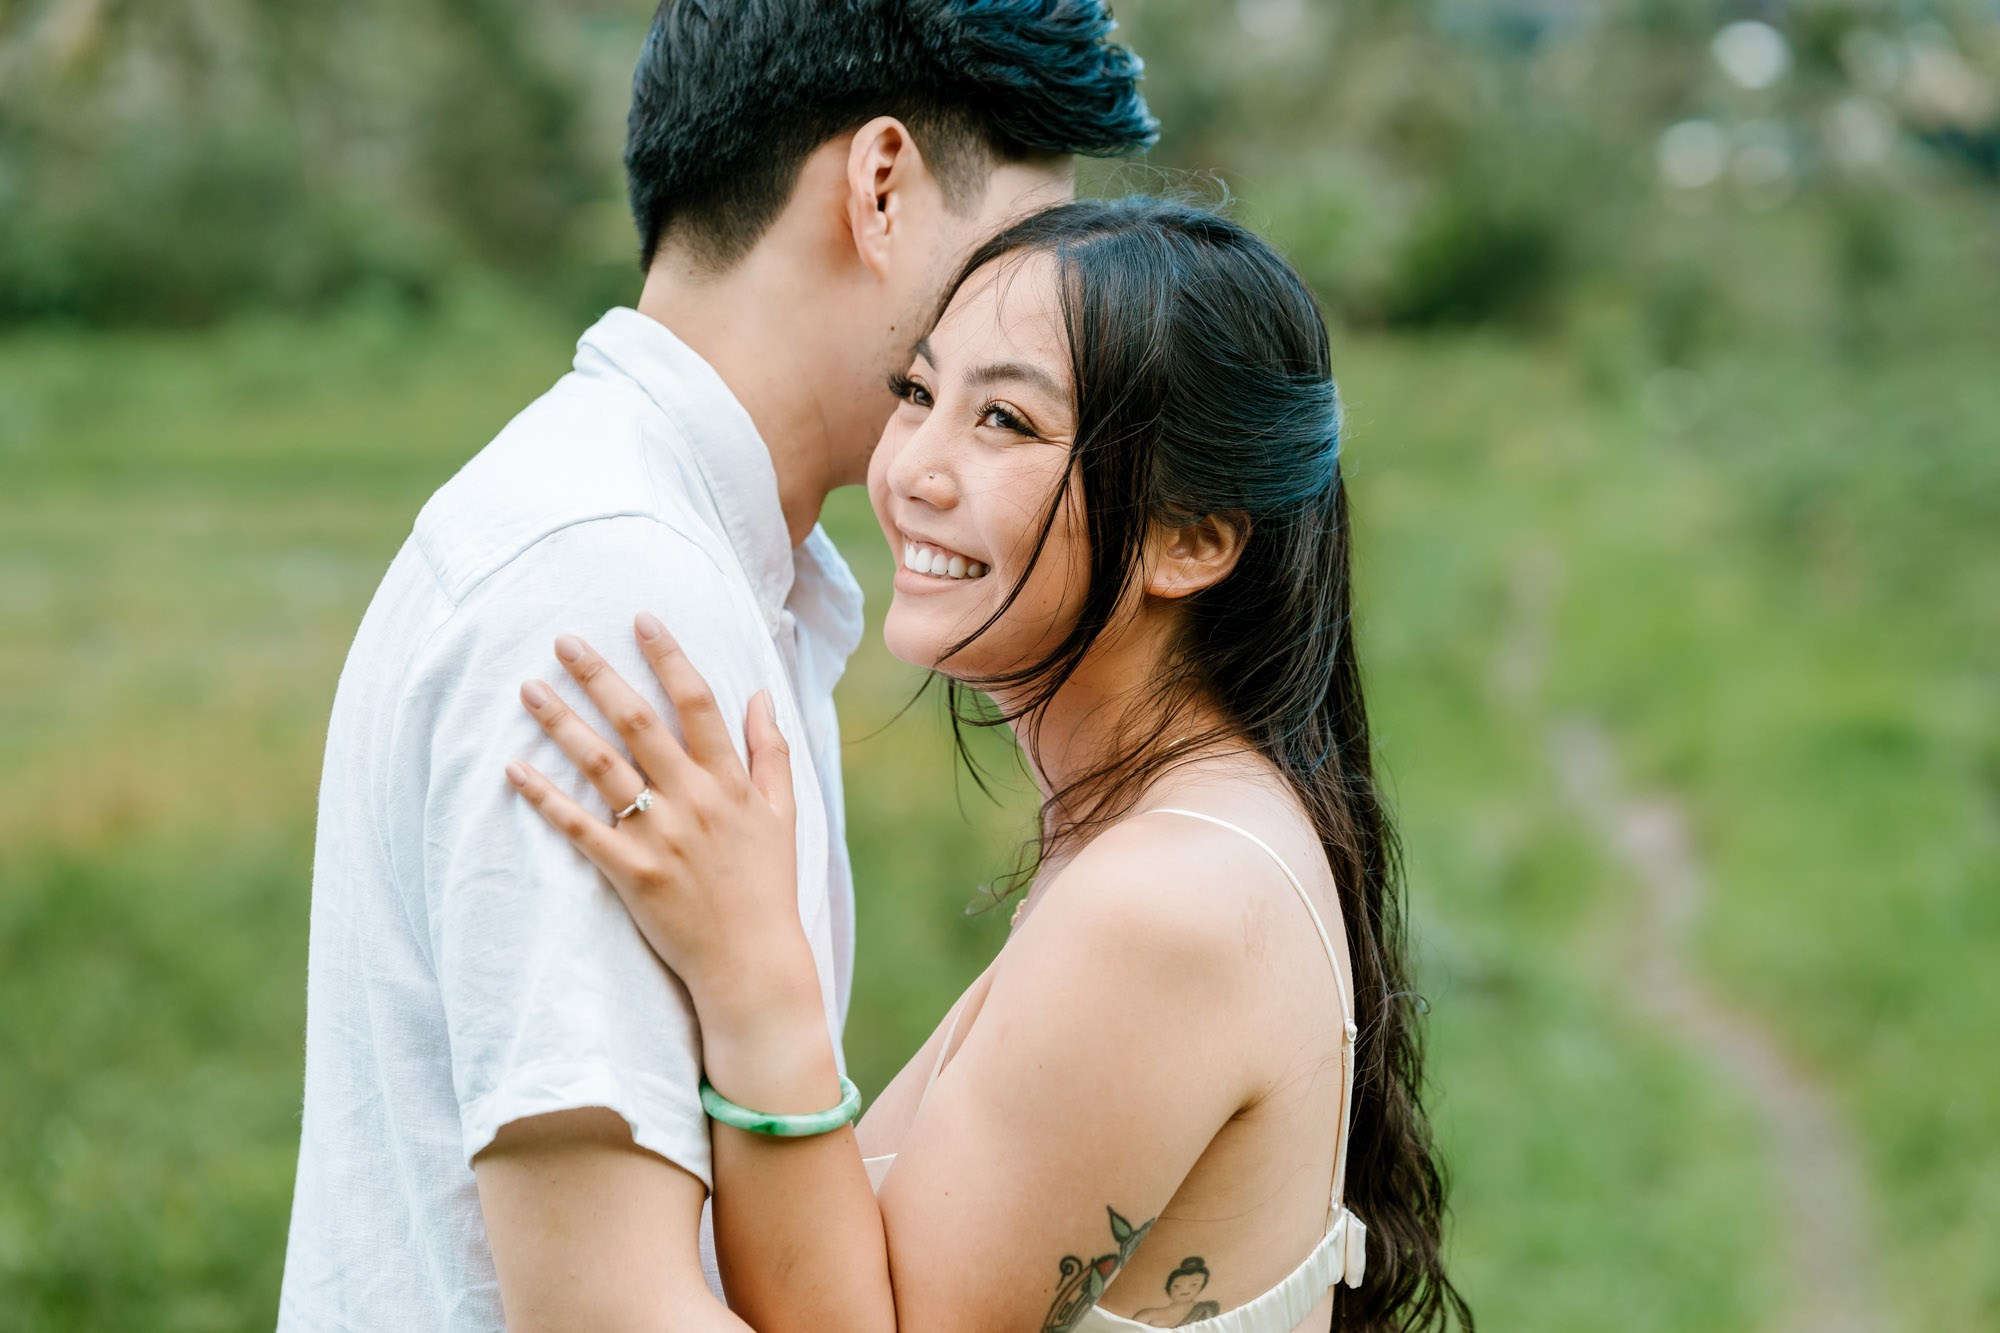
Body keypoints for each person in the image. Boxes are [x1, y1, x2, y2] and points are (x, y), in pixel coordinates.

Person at [276, 4, 1155, 1329]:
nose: (1043, 314)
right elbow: (610, 1307)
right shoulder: (611, 583)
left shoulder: (705, 557)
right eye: (1019, 252)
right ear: (880, 188)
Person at [506, 198, 1473, 1332]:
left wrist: (754, 974)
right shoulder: (1184, 833)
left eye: (1005, 420)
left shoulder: (1169, 900)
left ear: (1193, 538)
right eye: (918, 394)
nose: (912, 464)